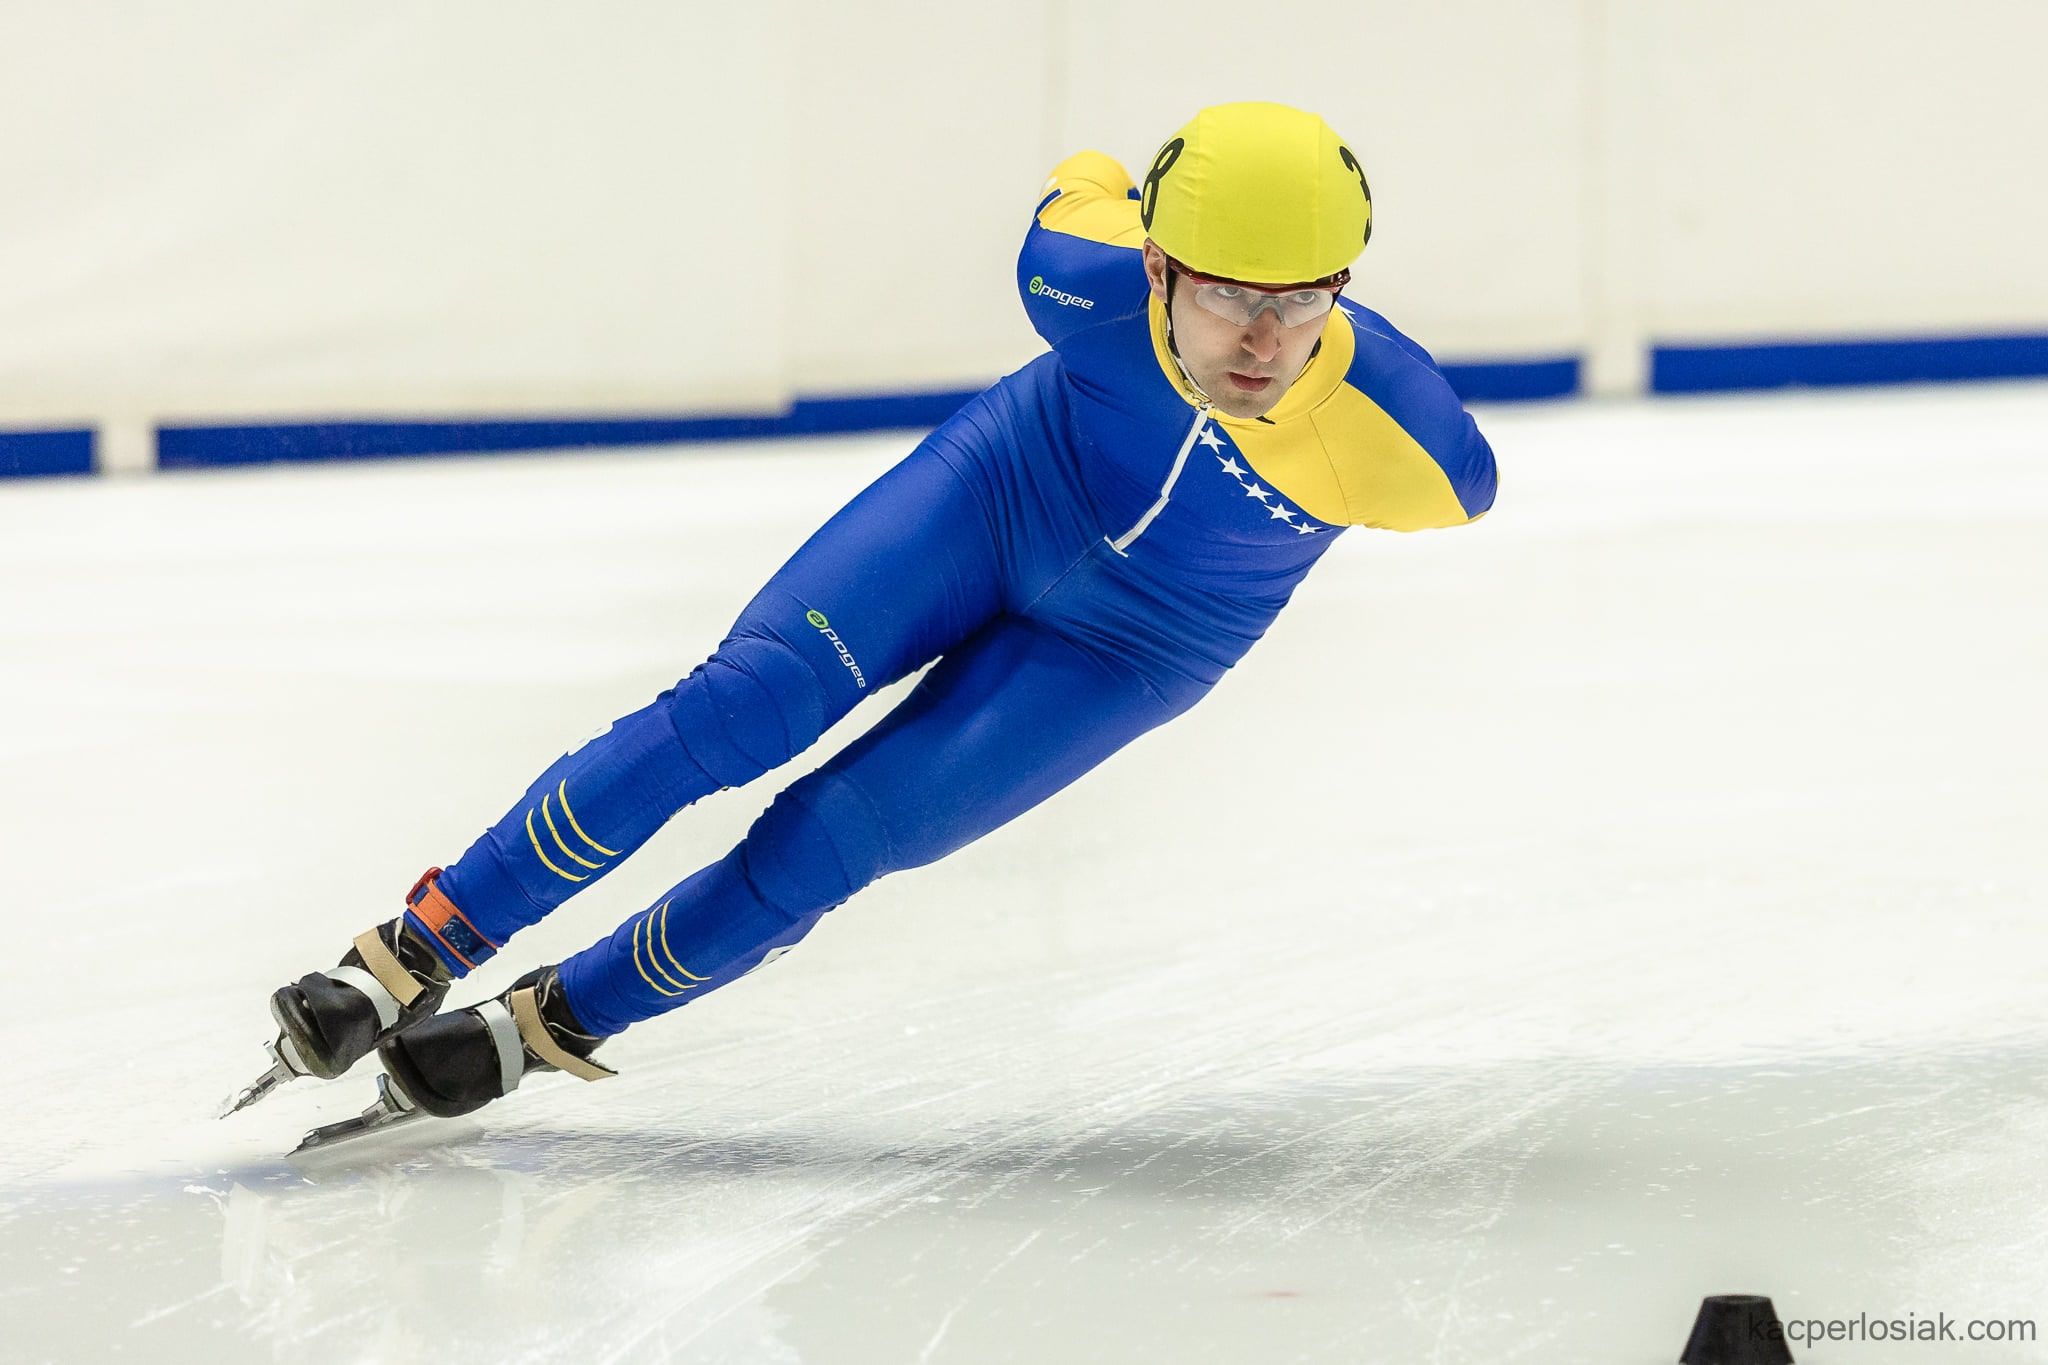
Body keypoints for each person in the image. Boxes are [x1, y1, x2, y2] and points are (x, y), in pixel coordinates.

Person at [225, 101, 1498, 1136]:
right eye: (1227, 295)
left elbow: (1459, 483)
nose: (1264, 339)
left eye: (1303, 299)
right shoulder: (1074, 275)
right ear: (1155, 265)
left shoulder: (1417, 453)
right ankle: (406, 955)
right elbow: (1086, 181)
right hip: (1000, 492)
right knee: (739, 708)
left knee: (828, 845)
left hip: (1138, 643)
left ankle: (545, 1028)